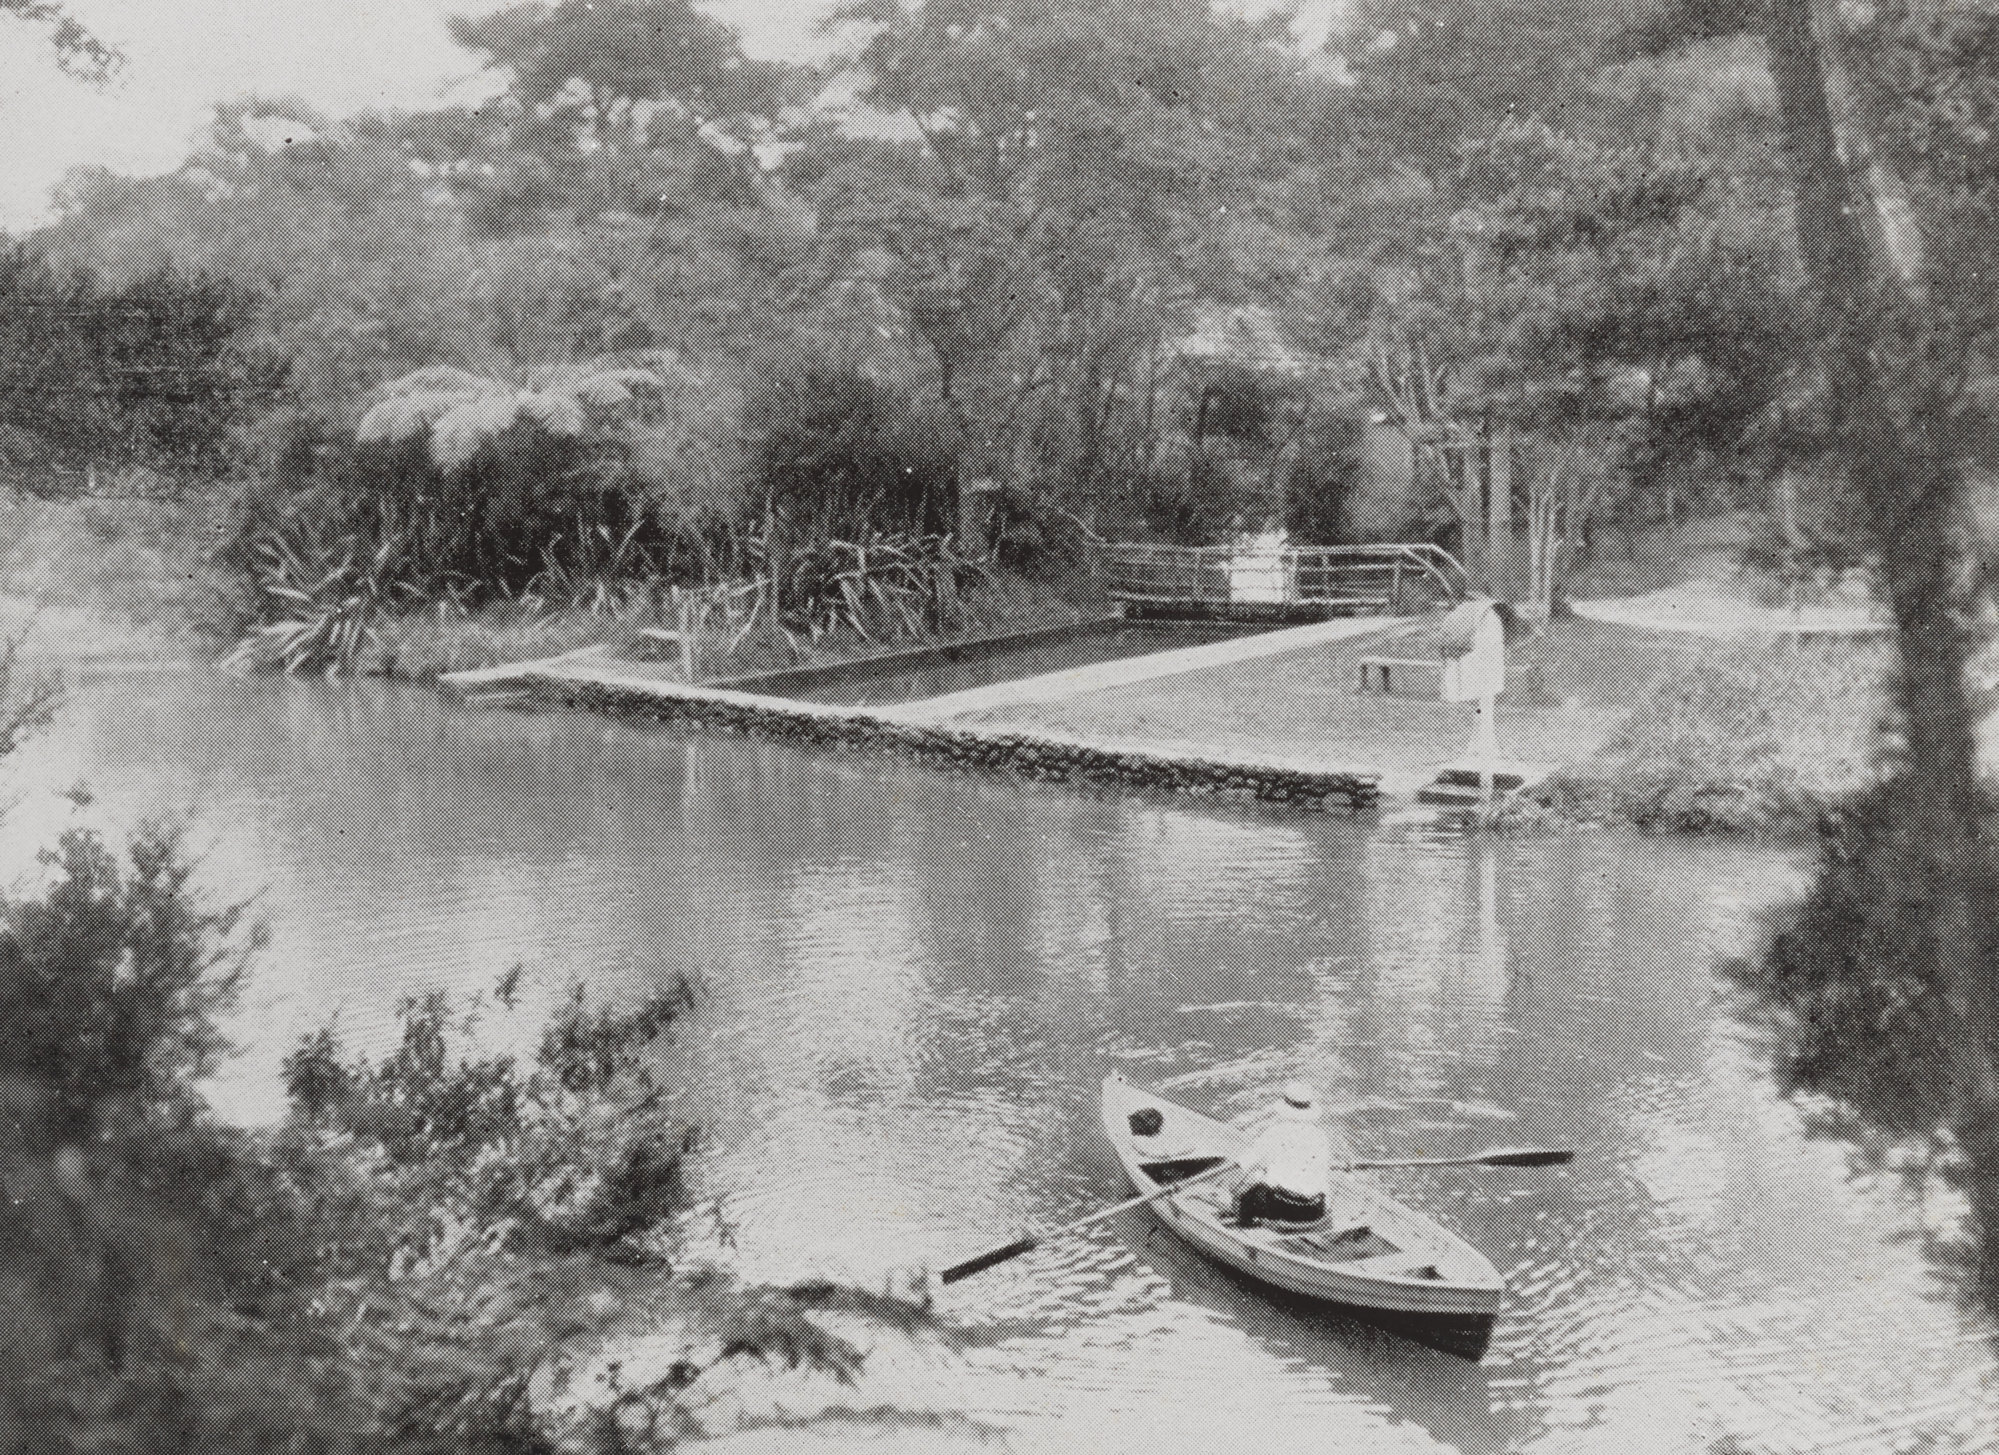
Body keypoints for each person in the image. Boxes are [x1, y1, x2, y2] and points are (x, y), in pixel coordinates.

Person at [1230, 1080, 1332, 1229]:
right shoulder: (1321, 1136)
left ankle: (1245, 1227)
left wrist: (1237, 1165)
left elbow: (1248, 1161)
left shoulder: (1276, 1132)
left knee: (1241, 1193)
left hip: (1283, 1207)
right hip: (1315, 1209)